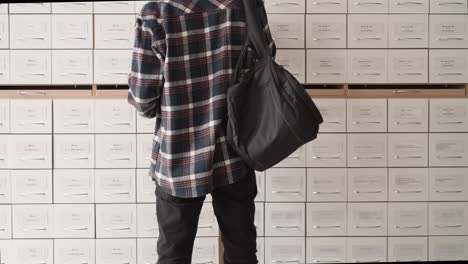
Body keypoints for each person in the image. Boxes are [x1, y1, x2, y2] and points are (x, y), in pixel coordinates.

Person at [128, 0, 276, 263]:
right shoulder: (247, 4)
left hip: (178, 158)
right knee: (241, 249)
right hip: (236, 150)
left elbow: (144, 101)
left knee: (174, 253)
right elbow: (267, 60)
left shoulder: (156, 13)